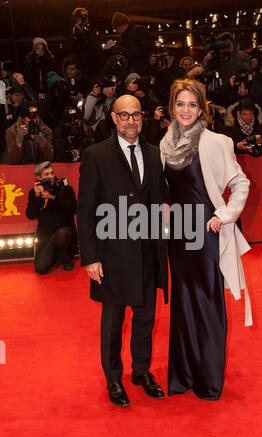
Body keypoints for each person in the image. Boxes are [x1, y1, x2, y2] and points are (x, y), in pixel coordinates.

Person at [160, 79, 252, 400]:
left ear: (202, 109)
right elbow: (167, 189)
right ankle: (182, 375)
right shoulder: (165, 144)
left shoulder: (216, 142)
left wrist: (225, 214)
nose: (186, 110)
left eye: (192, 104)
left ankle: (208, 380)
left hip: (205, 231)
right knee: (184, 304)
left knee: (207, 302)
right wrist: (164, 205)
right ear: (172, 108)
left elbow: (241, 183)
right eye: (180, 104)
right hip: (179, 235)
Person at [77, 94, 168, 407]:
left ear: (143, 118)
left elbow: (162, 200)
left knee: (145, 319)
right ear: (113, 118)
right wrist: (90, 257)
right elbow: (86, 209)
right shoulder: (95, 155)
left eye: (137, 115)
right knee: (113, 323)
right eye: (124, 115)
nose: (131, 121)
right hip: (113, 256)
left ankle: (141, 372)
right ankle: (113, 379)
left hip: (148, 253)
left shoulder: (156, 155)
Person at [26, 161, 77, 274]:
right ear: (39, 178)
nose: (50, 176)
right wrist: (37, 196)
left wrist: (53, 197)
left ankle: (66, 259)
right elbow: (30, 215)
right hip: (47, 240)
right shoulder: (34, 193)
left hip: (65, 236)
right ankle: (55, 257)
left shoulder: (65, 188)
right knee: (40, 269)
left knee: (62, 233)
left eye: (51, 173)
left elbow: (73, 209)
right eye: (46, 174)